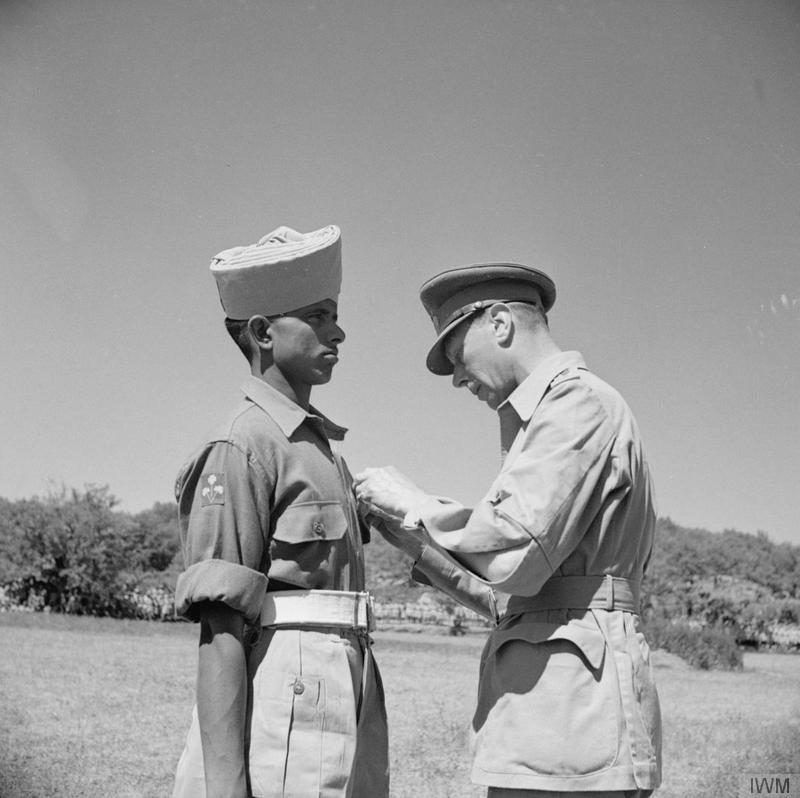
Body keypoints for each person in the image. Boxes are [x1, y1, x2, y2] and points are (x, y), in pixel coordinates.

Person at [354, 262, 662, 798]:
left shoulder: (577, 404)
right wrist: (420, 546)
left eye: (456, 355)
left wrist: (414, 503)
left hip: (574, 716)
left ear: (499, 324)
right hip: (552, 712)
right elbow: (522, 595)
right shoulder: (550, 415)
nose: (456, 377)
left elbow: (515, 551)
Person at [171, 224, 389, 798]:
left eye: (333, 314)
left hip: (339, 696)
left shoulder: (317, 450)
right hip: (286, 709)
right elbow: (221, 626)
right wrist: (225, 786)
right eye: (317, 316)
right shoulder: (243, 445)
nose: (337, 330)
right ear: (263, 332)